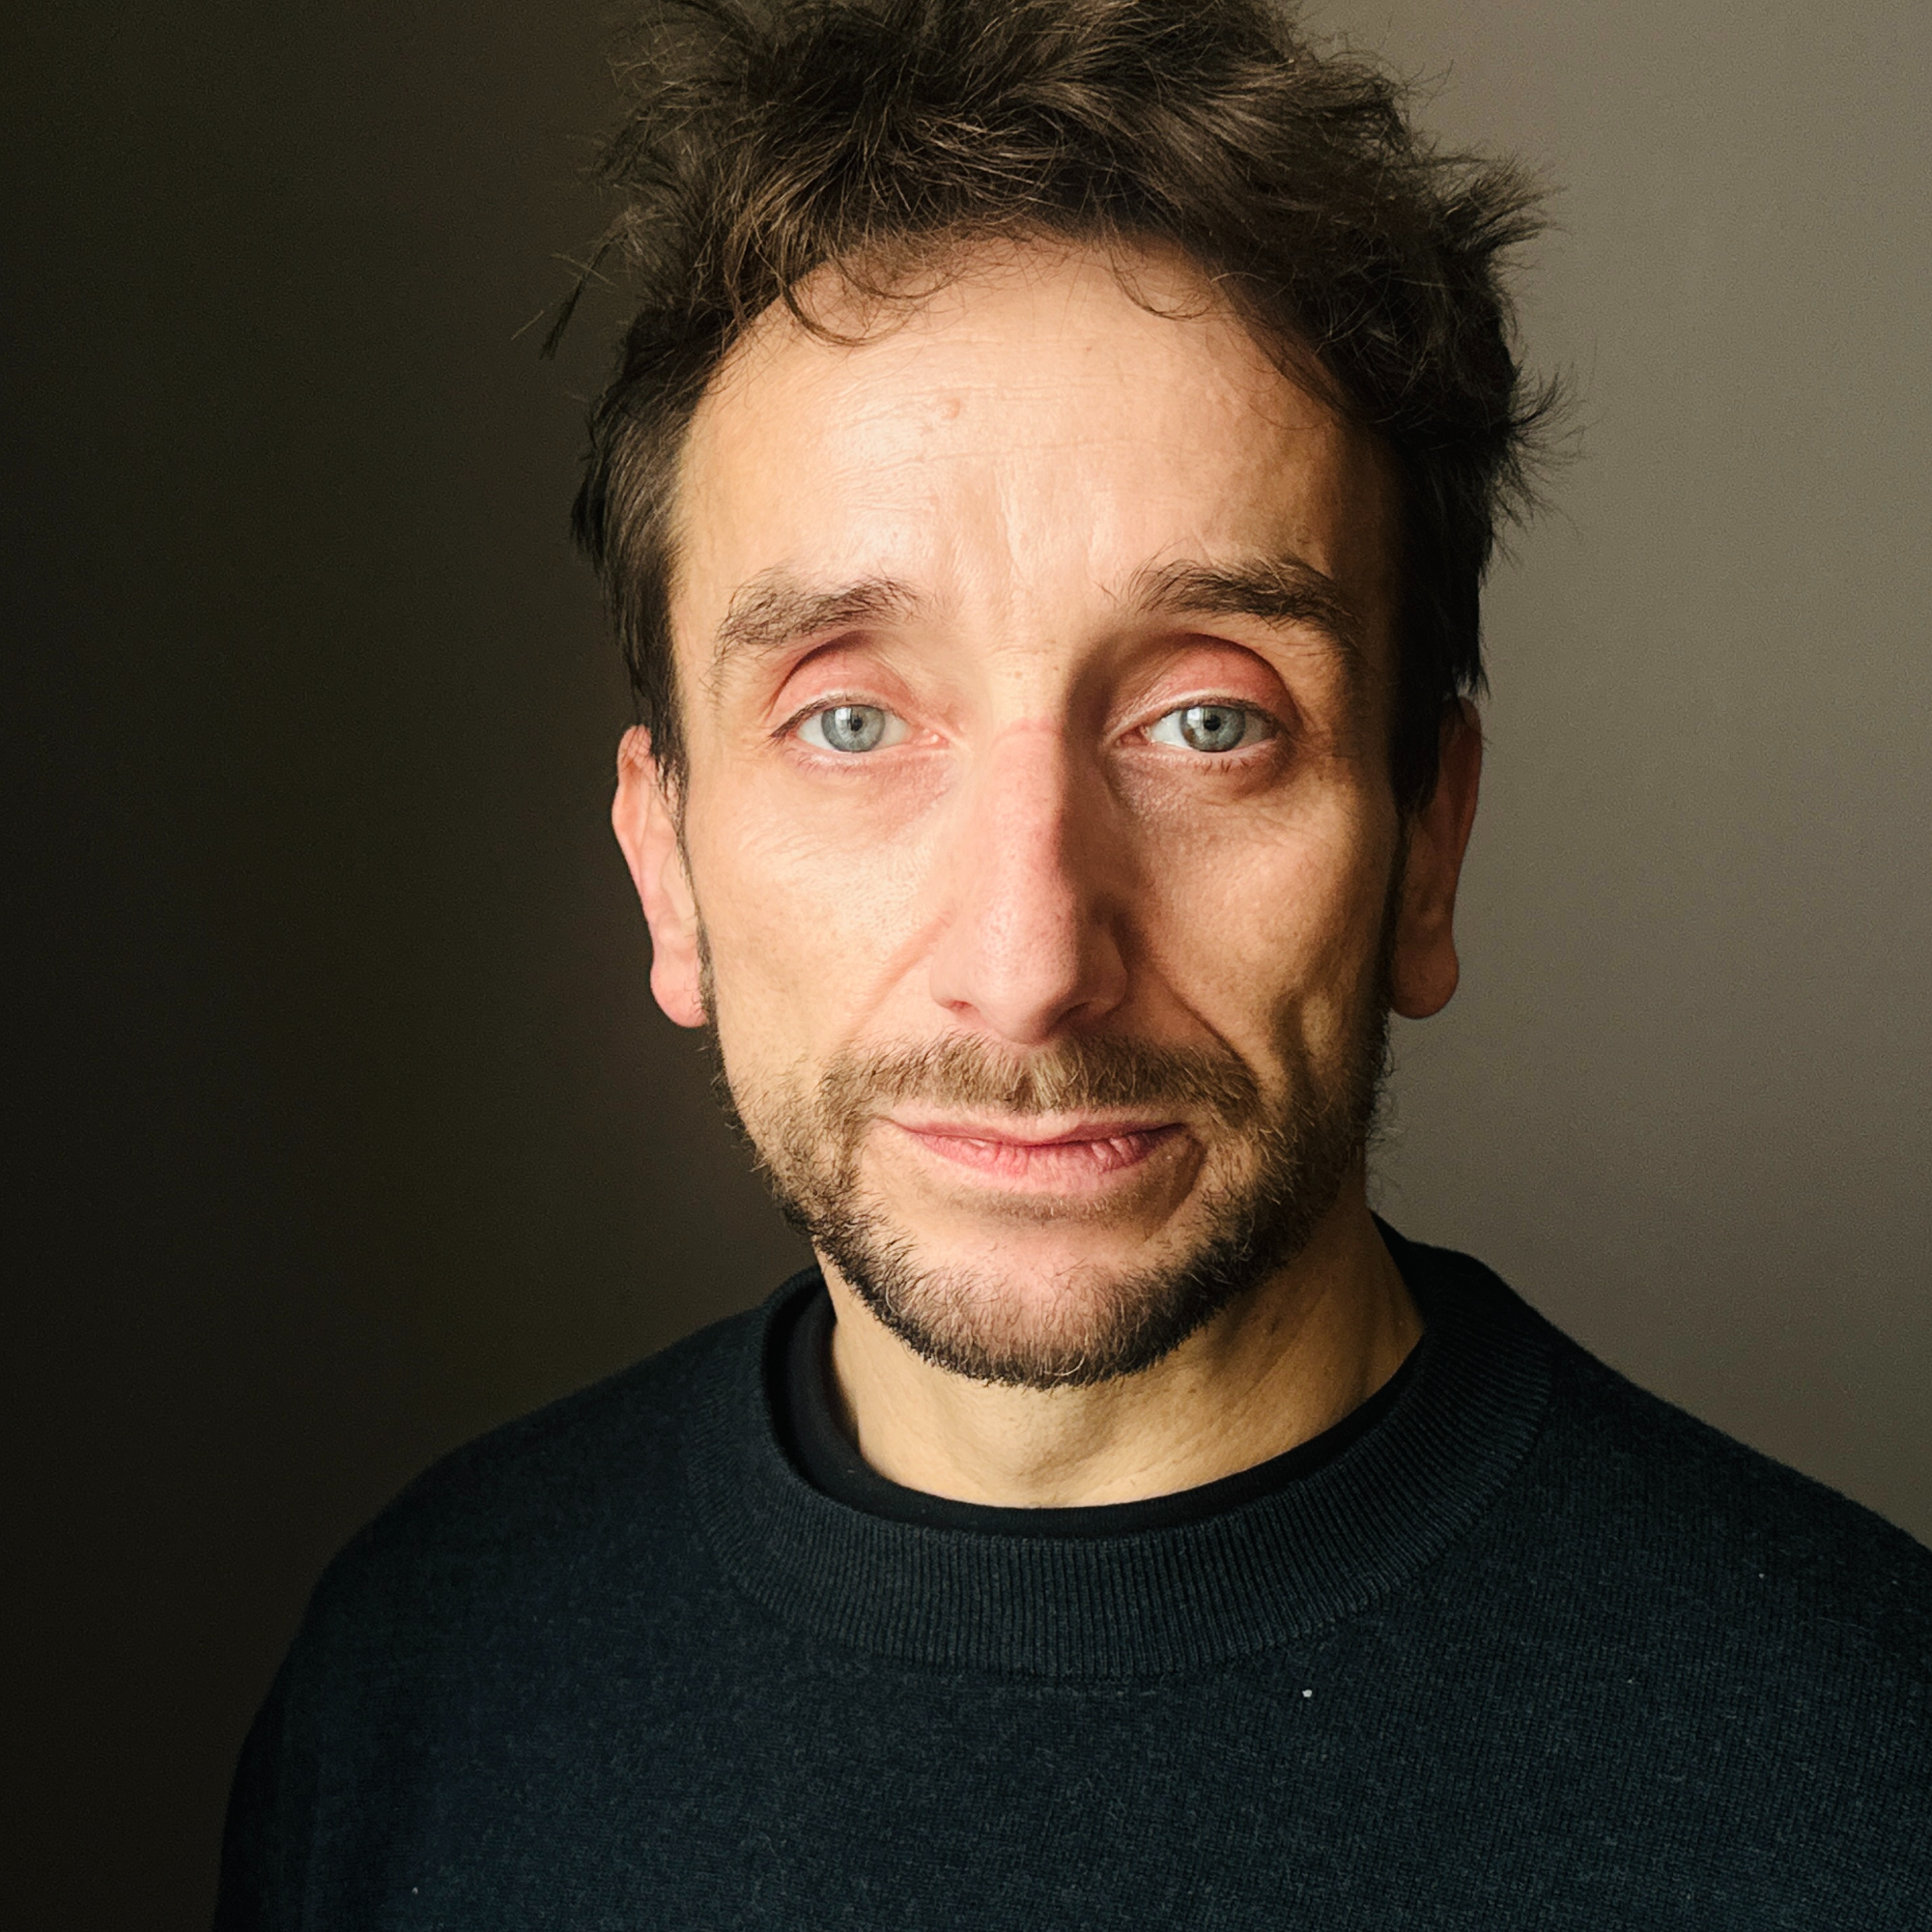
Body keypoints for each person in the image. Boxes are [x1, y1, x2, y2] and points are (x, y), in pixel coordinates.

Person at [215, 1, 1930, 1923]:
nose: (1030, 964)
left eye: (1209, 722)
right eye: (851, 721)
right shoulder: (412, 1689)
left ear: (1427, 845)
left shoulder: (1869, 1779)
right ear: (664, 867)